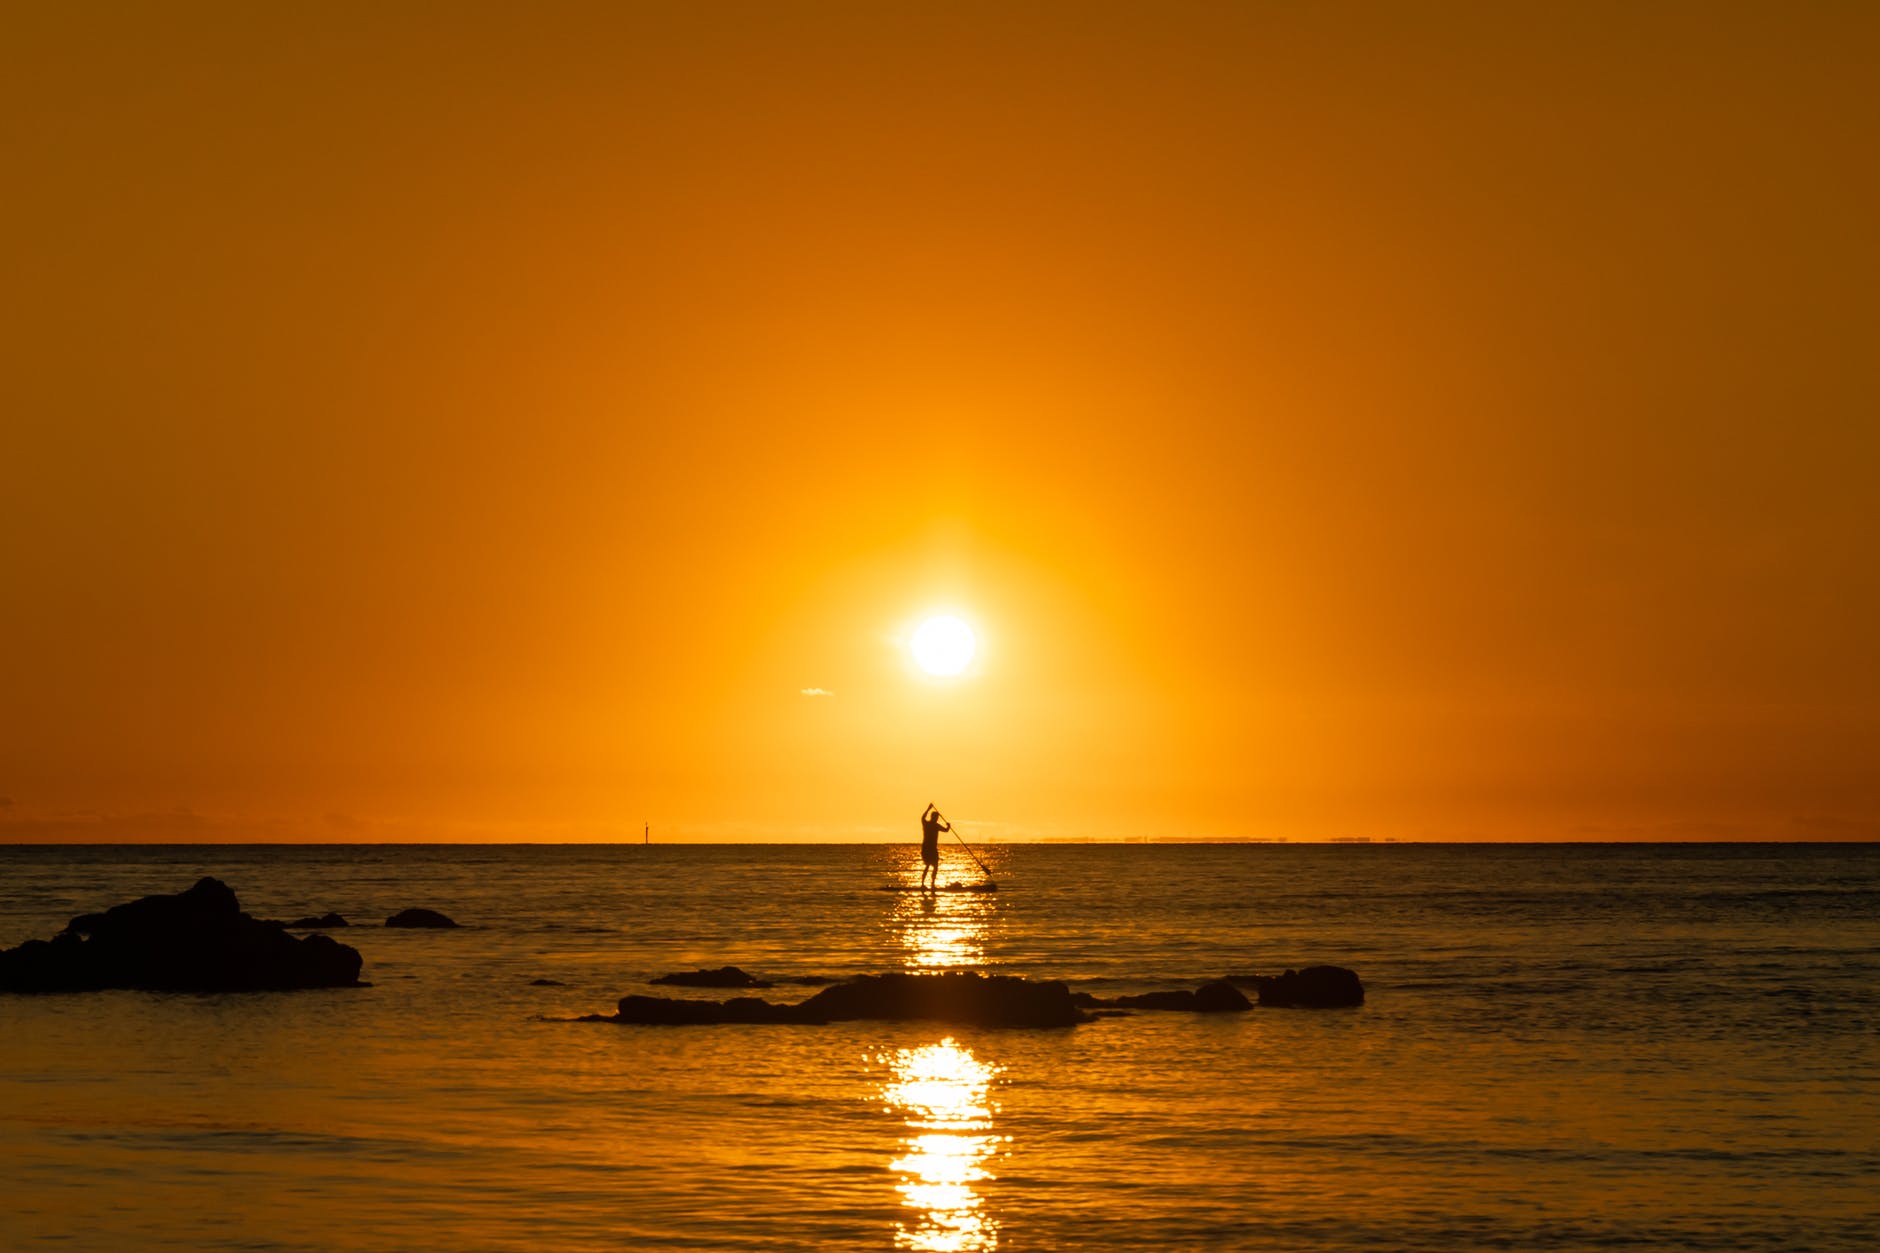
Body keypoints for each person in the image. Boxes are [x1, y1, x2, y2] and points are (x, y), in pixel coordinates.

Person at [919, 803, 950, 890]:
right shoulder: (926, 824)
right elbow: (922, 817)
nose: (936, 819)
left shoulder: (937, 826)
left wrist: (948, 826)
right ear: (932, 817)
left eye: (937, 818)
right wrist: (928, 808)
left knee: (935, 866)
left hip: (933, 849)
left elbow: (946, 830)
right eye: (935, 817)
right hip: (926, 849)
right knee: (928, 865)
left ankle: (932, 884)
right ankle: (922, 884)